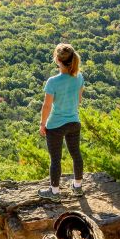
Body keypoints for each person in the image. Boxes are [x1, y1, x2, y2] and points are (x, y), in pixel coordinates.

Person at [39, 43, 84, 198]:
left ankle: (54, 191)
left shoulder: (53, 81)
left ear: (57, 60)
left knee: (55, 159)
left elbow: (46, 106)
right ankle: (77, 187)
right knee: (76, 154)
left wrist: (42, 124)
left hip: (56, 125)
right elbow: (79, 100)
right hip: (74, 122)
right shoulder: (79, 77)